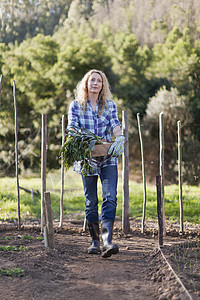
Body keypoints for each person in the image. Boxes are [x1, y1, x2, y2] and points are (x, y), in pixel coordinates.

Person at [67, 69, 124, 258]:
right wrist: (83, 140)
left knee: (110, 196)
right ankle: (95, 241)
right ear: (86, 83)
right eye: (92, 80)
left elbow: (115, 124)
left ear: (102, 85)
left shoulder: (109, 105)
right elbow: (72, 128)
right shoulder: (76, 106)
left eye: (99, 81)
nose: (95, 83)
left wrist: (120, 136)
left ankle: (107, 242)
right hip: (87, 158)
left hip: (108, 156)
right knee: (91, 201)